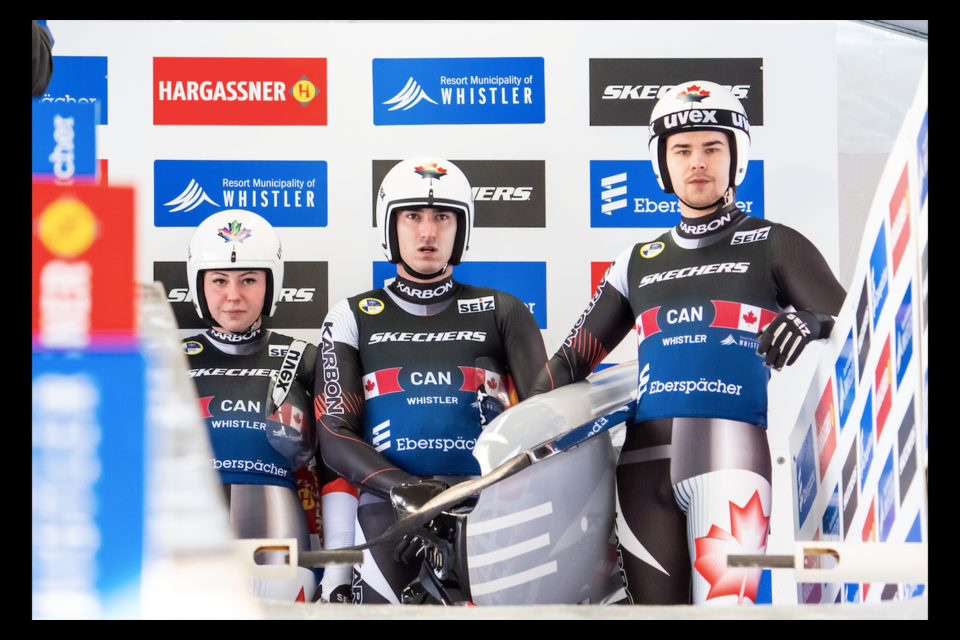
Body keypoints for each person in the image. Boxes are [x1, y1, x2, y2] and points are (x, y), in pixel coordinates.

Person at [531, 81, 847, 606]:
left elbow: (854, 321)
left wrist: (812, 323)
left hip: (730, 456)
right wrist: (510, 405)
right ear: (663, 163)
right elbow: (567, 363)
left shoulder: (774, 242)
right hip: (640, 469)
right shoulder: (637, 260)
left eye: (711, 147)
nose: (696, 161)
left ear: (736, 158)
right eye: (682, 150)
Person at [315, 157, 548, 604]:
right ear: (390, 227)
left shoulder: (505, 310)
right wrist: (406, 490)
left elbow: (546, 419)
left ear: (461, 229)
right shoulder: (350, 315)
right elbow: (333, 433)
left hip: (486, 509)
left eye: (442, 217)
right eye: (412, 216)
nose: (427, 232)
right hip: (389, 511)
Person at [182, 209, 326, 602]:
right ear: (198, 285)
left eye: (248, 279)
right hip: (186, 528)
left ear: (271, 285)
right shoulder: (166, 357)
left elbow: (336, 464)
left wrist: (341, 561)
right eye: (218, 280)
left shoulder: (305, 357)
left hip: (278, 523)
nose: (233, 295)